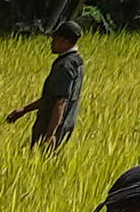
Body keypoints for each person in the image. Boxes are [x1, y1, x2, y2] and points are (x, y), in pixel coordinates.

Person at [6, 23, 84, 152]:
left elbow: (60, 102)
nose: (51, 43)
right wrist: (24, 110)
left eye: (54, 40)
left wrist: (50, 135)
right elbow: (51, 97)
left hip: (51, 127)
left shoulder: (65, 66)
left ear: (64, 41)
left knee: (37, 162)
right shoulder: (78, 62)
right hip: (65, 125)